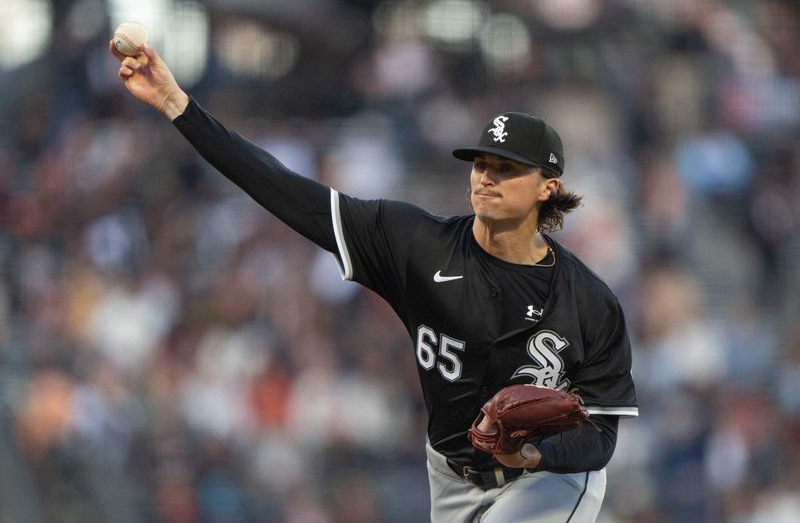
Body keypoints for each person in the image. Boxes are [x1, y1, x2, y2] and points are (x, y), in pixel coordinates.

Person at [110, 40, 638, 523]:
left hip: (550, 479)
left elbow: (602, 437)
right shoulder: (415, 243)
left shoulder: (588, 300)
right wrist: (179, 106)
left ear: (548, 188)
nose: (485, 176)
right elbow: (283, 190)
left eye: (506, 167)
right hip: (451, 472)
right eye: (481, 163)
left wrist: (536, 452)